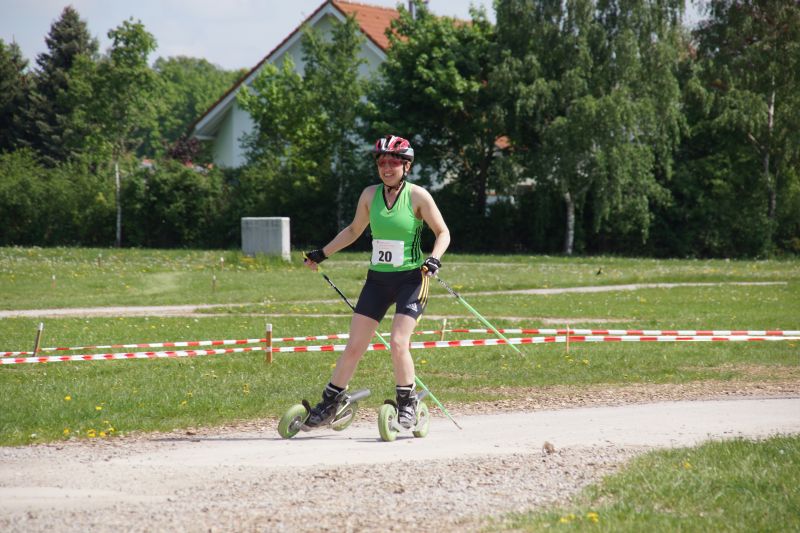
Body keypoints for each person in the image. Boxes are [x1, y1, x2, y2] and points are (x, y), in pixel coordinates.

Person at [303, 134, 450, 430]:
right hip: (378, 281)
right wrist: (322, 253)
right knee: (355, 345)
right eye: (382, 163)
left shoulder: (418, 196)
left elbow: (443, 232)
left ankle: (407, 403)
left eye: (393, 163)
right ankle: (330, 402)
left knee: (398, 342)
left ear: (406, 166)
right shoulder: (370, 195)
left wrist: (434, 258)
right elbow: (353, 230)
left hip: (412, 279)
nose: (387, 168)